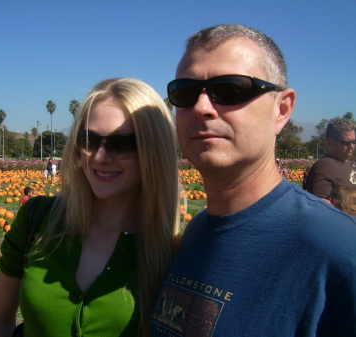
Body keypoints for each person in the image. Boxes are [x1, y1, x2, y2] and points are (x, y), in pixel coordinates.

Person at [150, 24, 356, 336]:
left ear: (282, 109)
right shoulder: (193, 235)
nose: (201, 108)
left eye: (230, 89)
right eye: (185, 93)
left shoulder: (338, 249)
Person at [0, 78, 181, 337]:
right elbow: (0, 318)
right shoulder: (38, 219)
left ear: (154, 150)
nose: (100, 157)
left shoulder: (174, 250)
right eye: (89, 140)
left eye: (122, 143)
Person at [307, 117, 356, 202]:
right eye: (346, 142)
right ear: (331, 142)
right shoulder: (324, 167)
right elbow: (321, 205)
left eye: (353, 142)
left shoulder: (345, 164)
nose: (351, 146)